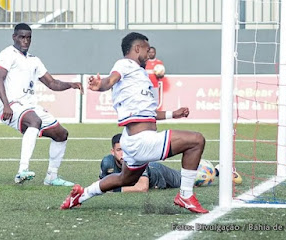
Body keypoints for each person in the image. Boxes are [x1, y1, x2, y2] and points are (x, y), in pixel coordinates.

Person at [61, 32, 208, 213]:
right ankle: (185, 195)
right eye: (147, 49)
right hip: (141, 140)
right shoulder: (125, 64)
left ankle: (81, 195)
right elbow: (111, 79)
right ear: (137, 48)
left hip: (133, 139)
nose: (149, 54)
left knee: (126, 179)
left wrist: (172, 114)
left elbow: (148, 113)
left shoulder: (139, 74)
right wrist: (101, 85)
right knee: (196, 141)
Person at [0, 23, 83, 186]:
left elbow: (52, 83)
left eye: (28, 37)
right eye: (22, 37)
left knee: (61, 134)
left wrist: (70, 85)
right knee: (34, 121)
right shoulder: (8, 54)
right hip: (12, 105)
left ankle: (51, 176)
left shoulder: (34, 60)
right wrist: (5, 105)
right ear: (14, 37)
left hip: (30, 106)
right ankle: (22, 171)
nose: (25, 40)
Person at [100, 134, 181, 192]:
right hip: (149, 167)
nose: (123, 154)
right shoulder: (107, 162)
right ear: (112, 152)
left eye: (125, 150)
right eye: (119, 150)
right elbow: (100, 182)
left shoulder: (137, 159)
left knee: (185, 179)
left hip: (158, 173)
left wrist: (114, 190)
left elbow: (142, 187)